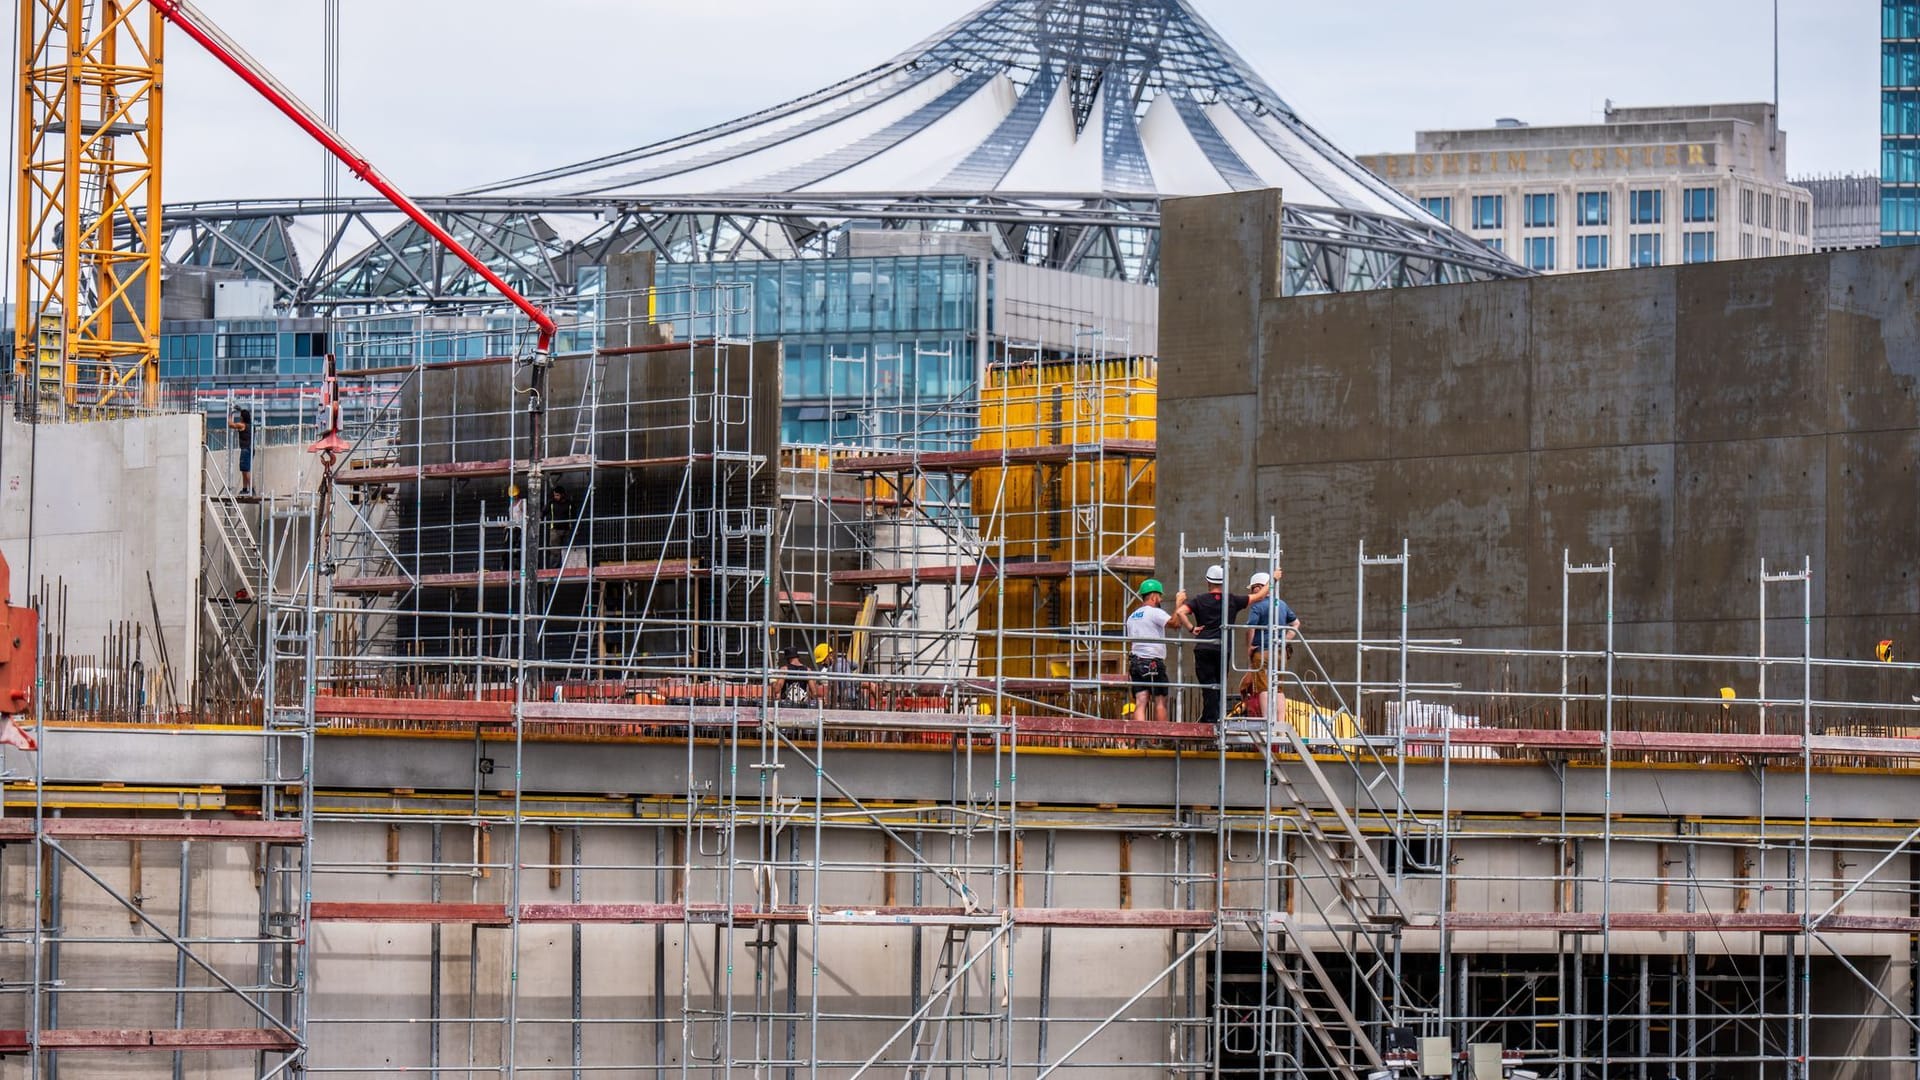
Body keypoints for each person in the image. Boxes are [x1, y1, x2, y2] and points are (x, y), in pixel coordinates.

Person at [1173, 565, 1253, 725]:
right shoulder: (1232, 600)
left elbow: (1181, 612)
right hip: (1223, 650)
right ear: (1223, 582)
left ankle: (1210, 718)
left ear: (1208, 582)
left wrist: (1191, 628)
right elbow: (1256, 597)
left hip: (1204, 647)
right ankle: (1213, 717)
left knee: (1208, 685)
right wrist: (1272, 581)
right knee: (1219, 685)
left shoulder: (1199, 600)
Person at [1125, 579, 1184, 724]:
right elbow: (1175, 623)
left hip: (1135, 662)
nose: (1161, 599)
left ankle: (1141, 738)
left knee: (1141, 701)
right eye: (1160, 596)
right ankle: (1161, 738)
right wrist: (1179, 604)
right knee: (1160, 701)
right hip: (1153, 662)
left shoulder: (1132, 616)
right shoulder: (1154, 612)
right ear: (1153, 596)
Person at [1243, 570, 1299, 722]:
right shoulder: (1282, 604)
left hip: (1263, 651)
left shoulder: (1257, 606)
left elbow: (1251, 628)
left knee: (1263, 688)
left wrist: (1250, 647)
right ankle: (1280, 724)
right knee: (1278, 689)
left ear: (1258, 587)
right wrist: (1284, 640)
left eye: (1253, 588)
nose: (1252, 592)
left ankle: (1267, 721)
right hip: (1280, 653)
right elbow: (1295, 624)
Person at [228, 405, 254, 497]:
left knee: (246, 470)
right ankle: (245, 489)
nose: (240, 417)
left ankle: (252, 489)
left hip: (245, 449)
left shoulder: (242, 425)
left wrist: (230, 414)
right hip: (250, 448)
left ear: (242, 417)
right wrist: (240, 410)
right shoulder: (250, 426)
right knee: (244, 469)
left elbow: (230, 425)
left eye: (241, 416)